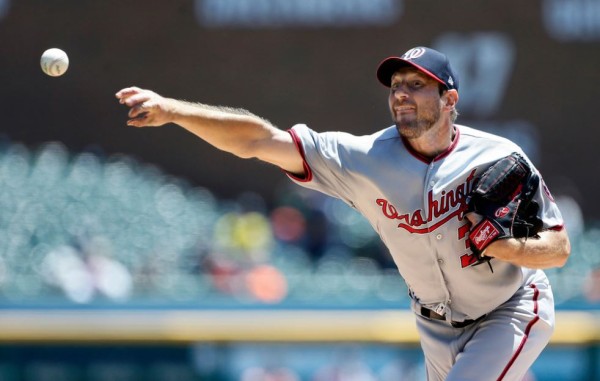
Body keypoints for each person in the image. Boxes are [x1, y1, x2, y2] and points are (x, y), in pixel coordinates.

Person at [116, 46, 571, 381]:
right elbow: (258, 140)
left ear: (449, 99)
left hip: (510, 307)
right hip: (435, 326)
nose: (401, 95)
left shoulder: (497, 157)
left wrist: (508, 246)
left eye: (417, 85)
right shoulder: (365, 158)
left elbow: (558, 248)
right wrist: (175, 111)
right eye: (396, 87)